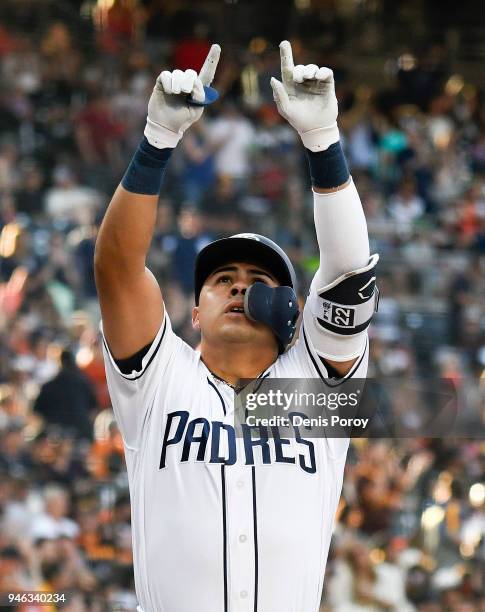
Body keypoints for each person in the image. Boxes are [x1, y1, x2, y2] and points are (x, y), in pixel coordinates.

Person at [95, 41, 379, 612]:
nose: (239, 285)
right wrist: (157, 141)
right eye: (222, 277)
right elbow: (116, 268)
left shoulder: (318, 386)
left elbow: (349, 271)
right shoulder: (157, 378)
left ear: (292, 309)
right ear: (194, 312)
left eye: (257, 278)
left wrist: (323, 142)